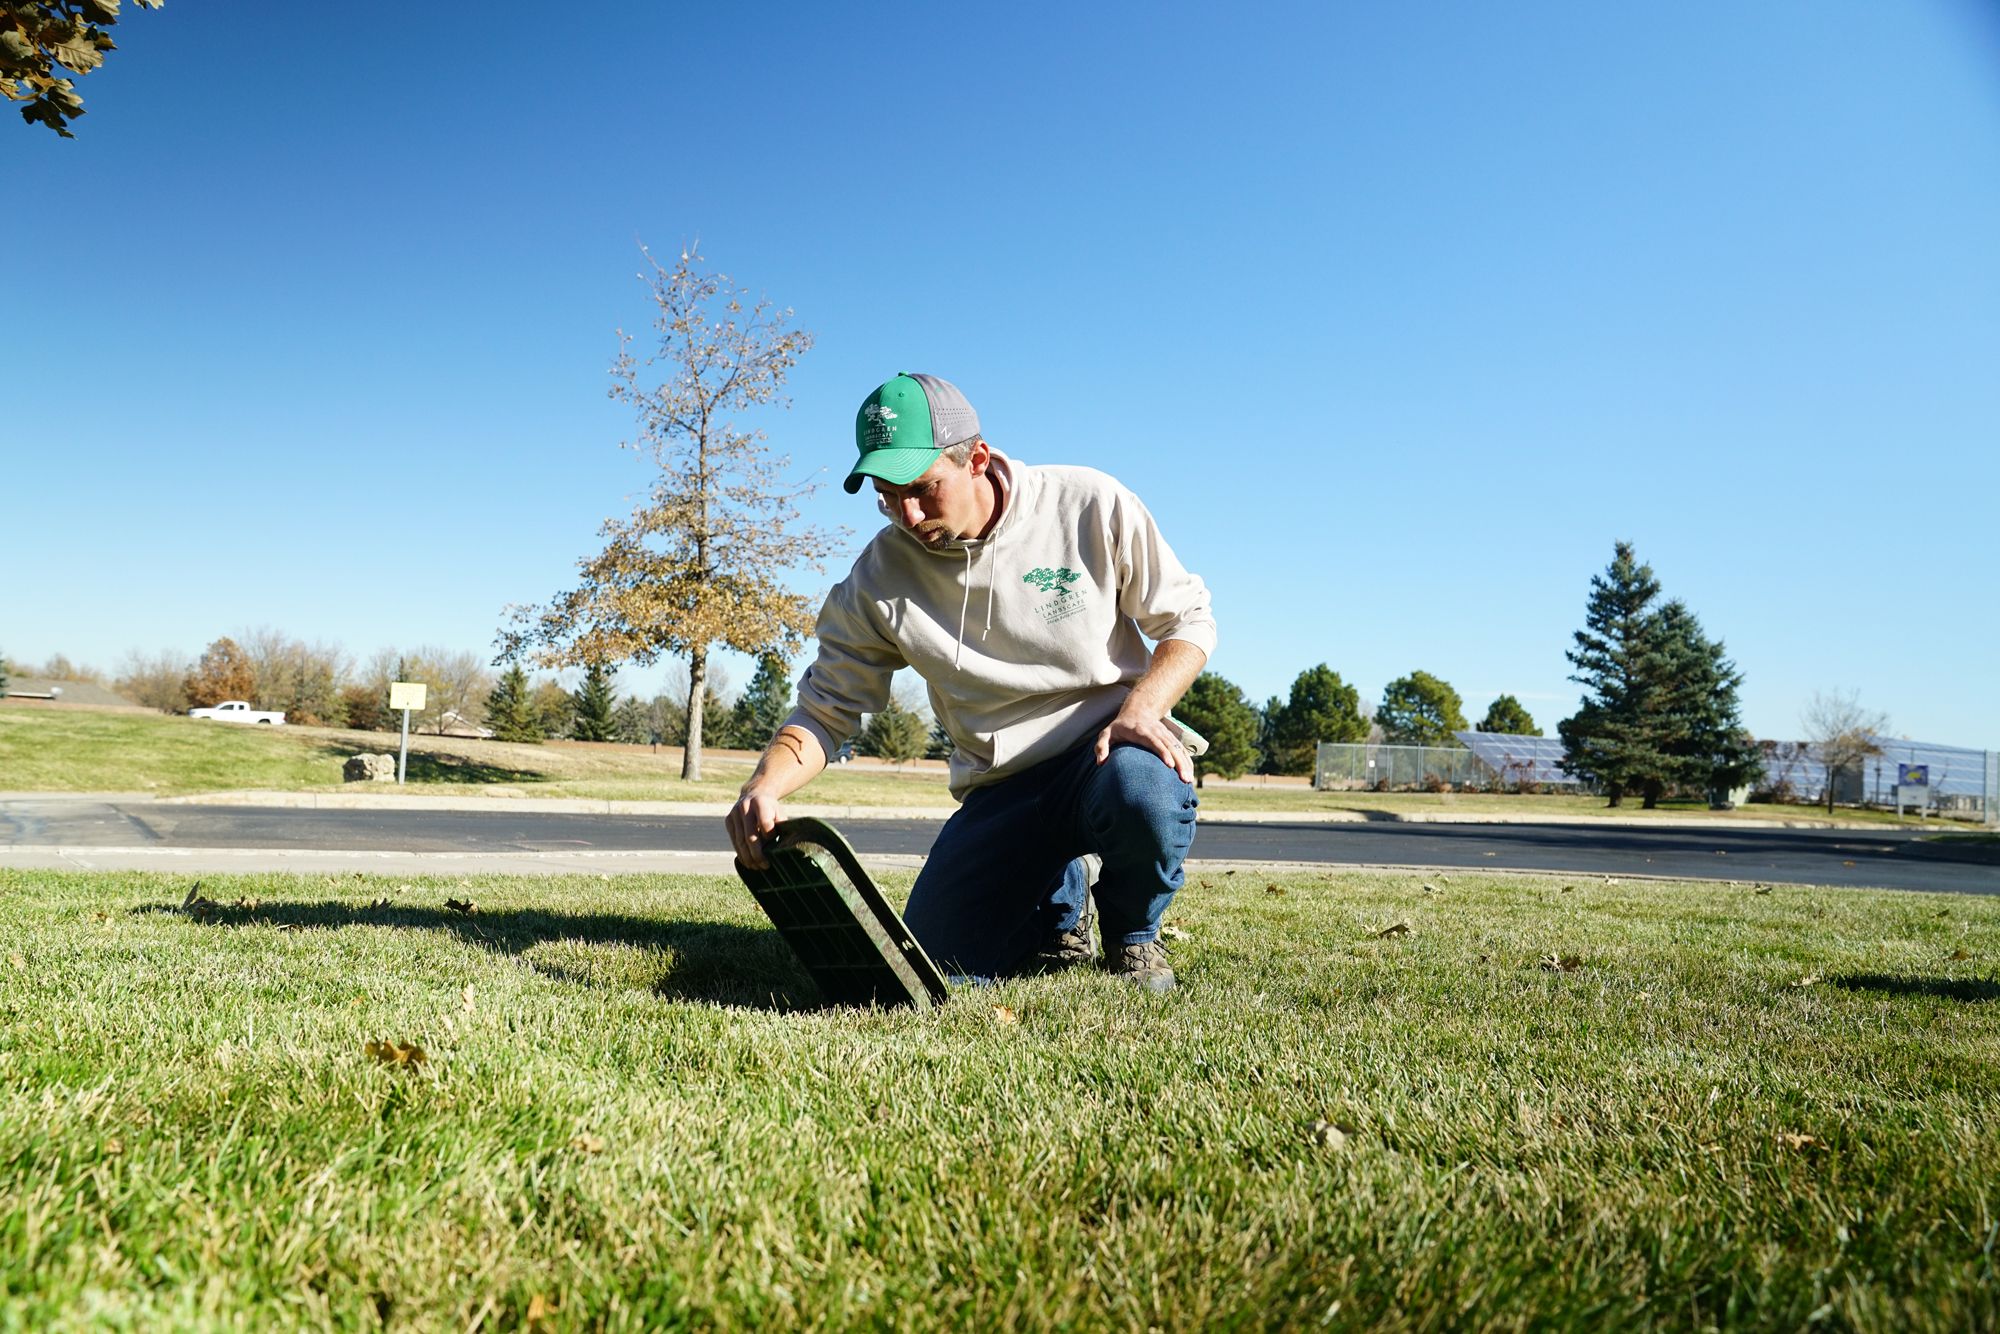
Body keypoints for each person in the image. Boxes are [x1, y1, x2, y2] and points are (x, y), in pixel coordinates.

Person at [725, 373, 1214, 991]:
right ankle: (1056, 912)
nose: (906, 514)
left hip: (1103, 753)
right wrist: (765, 785)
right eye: (885, 494)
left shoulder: (1087, 504)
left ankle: (1132, 934)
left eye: (924, 489)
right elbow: (827, 707)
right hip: (1001, 785)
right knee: (931, 972)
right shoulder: (879, 578)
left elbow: (1189, 619)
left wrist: (1144, 707)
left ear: (976, 459)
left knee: (1144, 793)